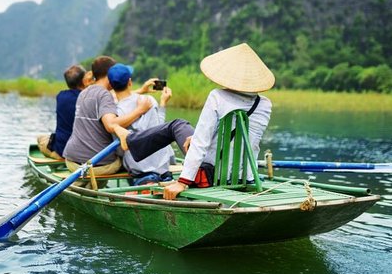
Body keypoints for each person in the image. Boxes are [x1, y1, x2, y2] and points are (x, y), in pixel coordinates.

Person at [114, 43, 274, 200]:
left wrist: (182, 182)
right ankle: (129, 140)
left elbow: (201, 144)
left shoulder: (217, 97)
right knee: (185, 130)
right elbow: (244, 139)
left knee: (176, 125)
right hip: (245, 176)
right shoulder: (265, 104)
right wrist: (197, 136)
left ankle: (129, 140)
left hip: (211, 174)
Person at [62, 56, 153, 183]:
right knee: (131, 160)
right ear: (109, 74)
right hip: (95, 165)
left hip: (71, 160)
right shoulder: (105, 95)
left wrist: (140, 91)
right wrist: (140, 110)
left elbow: (112, 98)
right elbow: (110, 124)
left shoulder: (84, 92)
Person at [108, 63, 182, 186]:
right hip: (162, 168)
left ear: (110, 85)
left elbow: (120, 150)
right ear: (130, 82)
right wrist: (163, 103)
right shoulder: (148, 100)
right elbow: (160, 130)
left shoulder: (113, 113)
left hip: (139, 171)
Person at [37, 64, 87, 160]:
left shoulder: (60, 96)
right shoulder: (88, 98)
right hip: (83, 150)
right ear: (83, 80)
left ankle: (55, 155)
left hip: (62, 149)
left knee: (40, 138)